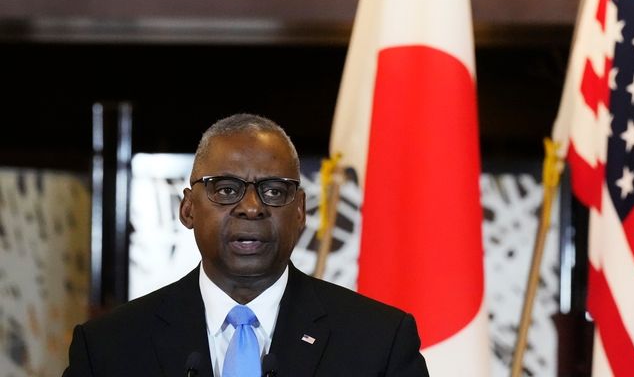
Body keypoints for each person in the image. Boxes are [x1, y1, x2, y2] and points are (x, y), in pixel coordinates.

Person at [63, 113, 429, 377]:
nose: (251, 207)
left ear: (300, 211)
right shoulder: (108, 348)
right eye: (225, 189)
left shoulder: (379, 341)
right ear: (188, 208)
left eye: (273, 191)